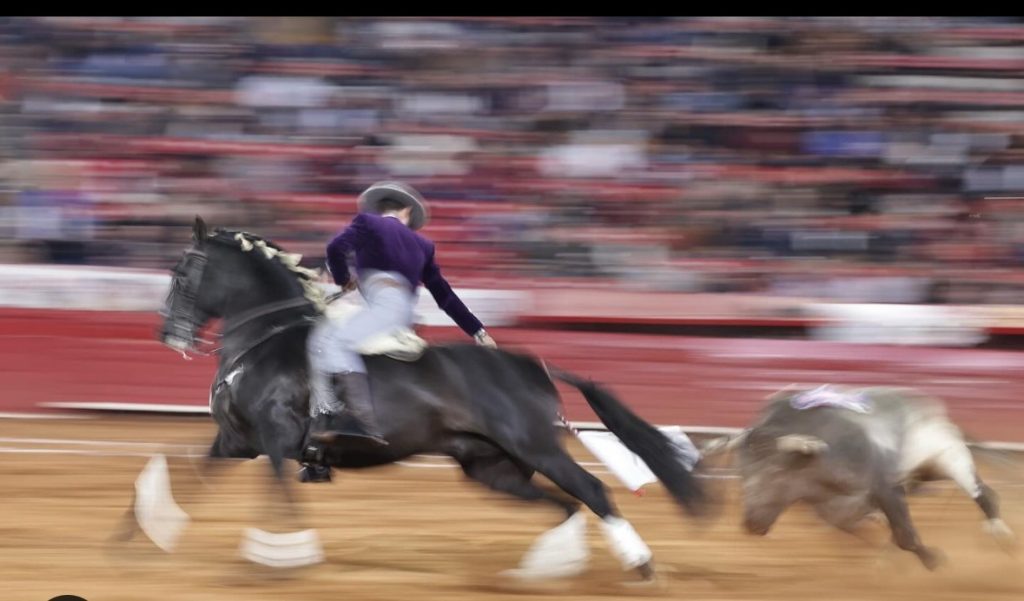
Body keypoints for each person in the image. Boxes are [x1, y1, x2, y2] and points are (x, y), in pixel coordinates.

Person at [302, 181, 496, 481]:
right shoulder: (424, 245)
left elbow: (334, 248)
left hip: (381, 305)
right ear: (406, 211)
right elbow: (445, 297)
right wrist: (478, 331)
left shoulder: (368, 223)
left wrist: (342, 279)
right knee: (328, 341)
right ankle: (319, 450)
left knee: (327, 344)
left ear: (379, 210)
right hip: (399, 311)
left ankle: (358, 421)